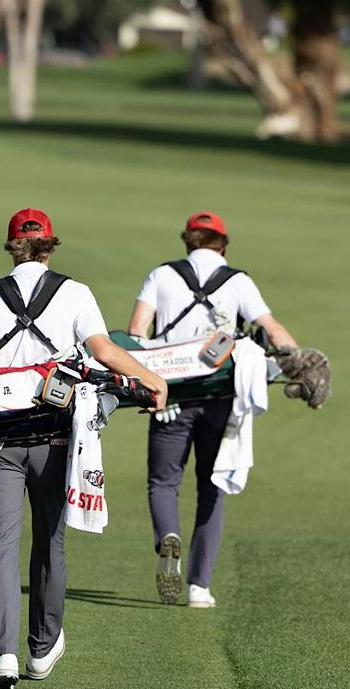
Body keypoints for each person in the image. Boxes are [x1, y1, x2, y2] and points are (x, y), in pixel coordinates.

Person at [0, 208, 168, 689]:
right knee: (49, 540)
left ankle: (4, 656)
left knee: (0, 546)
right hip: (56, 440)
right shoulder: (75, 293)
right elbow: (104, 351)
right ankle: (42, 647)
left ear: (11, 245)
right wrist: (152, 378)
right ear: (50, 245)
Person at [126, 211, 299, 609]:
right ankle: (199, 586)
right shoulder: (238, 281)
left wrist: (148, 387)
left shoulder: (161, 275)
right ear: (222, 244)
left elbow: (136, 333)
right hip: (222, 399)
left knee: (163, 482)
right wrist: (302, 361)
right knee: (212, 486)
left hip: (170, 394)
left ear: (188, 241)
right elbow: (272, 330)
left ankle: (168, 535)